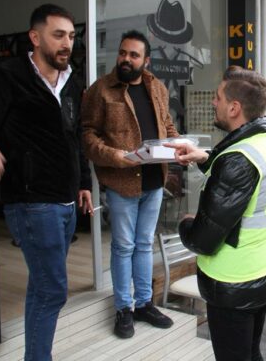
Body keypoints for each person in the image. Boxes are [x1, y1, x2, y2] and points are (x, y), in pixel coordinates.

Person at [0, 4, 93, 360]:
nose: (67, 43)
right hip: (32, 203)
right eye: (58, 35)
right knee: (53, 291)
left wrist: (83, 183)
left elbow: (74, 137)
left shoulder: (71, 81)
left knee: (42, 285)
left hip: (66, 201)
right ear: (35, 37)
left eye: (71, 36)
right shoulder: (7, 76)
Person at [166, 66, 266, 361]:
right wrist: (205, 158)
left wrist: (186, 225)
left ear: (234, 108)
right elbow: (244, 179)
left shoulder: (238, 160)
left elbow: (203, 240)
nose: (213, 102)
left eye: (218, 97)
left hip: (233, 286)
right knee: (251, 353)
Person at [81, 30, 177, 338]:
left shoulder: (157, 87)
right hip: (121, 182)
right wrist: (114, 156)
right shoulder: (100, 90)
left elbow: (167, 125)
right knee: (123, 246)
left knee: (144, 244)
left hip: (154, 181)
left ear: (146, 61)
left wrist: (180, 146)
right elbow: (87, 135)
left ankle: (144, 304)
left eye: (134, 55)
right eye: (123, 53)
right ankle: (124, 308)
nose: (126, 59)